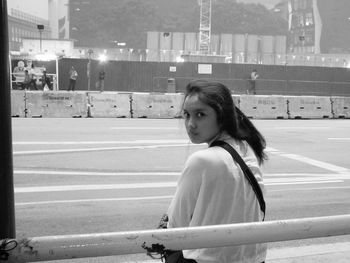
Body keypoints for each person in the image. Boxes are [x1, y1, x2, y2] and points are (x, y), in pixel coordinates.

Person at [165, 80, 267, 263]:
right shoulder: (246, 149)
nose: (190, 124)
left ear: (222, 116)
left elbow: (175, 226)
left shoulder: (202, 161)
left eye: (200, 115)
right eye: (187, 115)